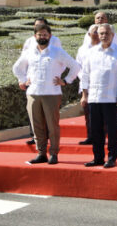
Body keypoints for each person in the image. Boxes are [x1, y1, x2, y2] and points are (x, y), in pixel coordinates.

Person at [13, 23, 80, 165]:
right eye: (39, 35)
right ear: (35, 36)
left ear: (49, 36)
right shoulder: (29, 52)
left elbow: (75, 66)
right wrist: (23, 80)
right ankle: (41, 153)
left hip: (52, 94)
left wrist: (66, 81)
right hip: (33, 93)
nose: (42, 37)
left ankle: (54, 154)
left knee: (52, 126)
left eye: (45, 34)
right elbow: (17, 68)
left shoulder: (57, 51)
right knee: (37, 126)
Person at [80, 24, 117, 168]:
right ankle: (98, 158)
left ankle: (112, 158)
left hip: (111, 98)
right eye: (101, 33)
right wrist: (84, 95)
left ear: (112, 35)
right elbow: (85, 75)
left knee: (112, 130)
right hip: (94, 98)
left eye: (107, 33)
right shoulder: (92, 52)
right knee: (95, 130)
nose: (103, 36)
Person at [21, 17, 63, 145]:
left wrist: (58, 76)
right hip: (33, 82)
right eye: (36, 26)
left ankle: (48, 139)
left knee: (48, 114)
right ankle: (35, 136)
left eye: (41, 25)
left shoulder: (54, 41)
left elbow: (62, 61)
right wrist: (23, 78)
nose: (38, 28)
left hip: (49, 84)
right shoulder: (29, 41)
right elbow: (22, 62)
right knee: (33, 112)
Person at [75, 24, 100, 145]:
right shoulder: (82, 49)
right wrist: (84, 78)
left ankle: (101, 137)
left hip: (101, 86)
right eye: (94, 32)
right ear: (89, 34)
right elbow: (77, 67)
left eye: (98, 32)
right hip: (86, 86)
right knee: (88, 114)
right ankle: (90, 136)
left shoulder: (107, 48)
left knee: (101, 115)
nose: (96, 34)